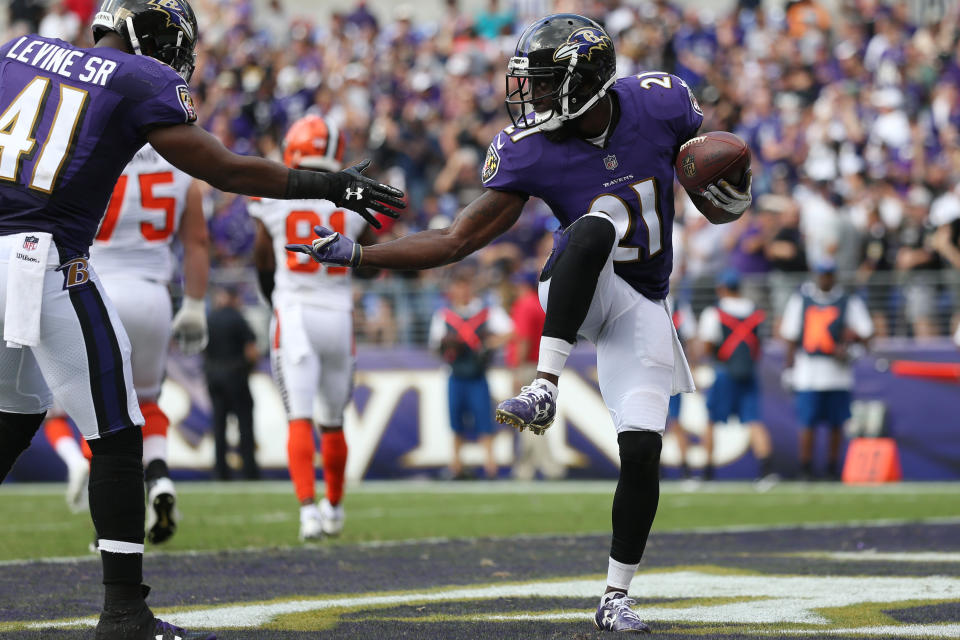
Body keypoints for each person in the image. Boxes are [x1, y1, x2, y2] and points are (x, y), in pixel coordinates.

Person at [288, 13, 750, 632]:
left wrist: (733, 186)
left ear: (582, 80)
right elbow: (457, 240)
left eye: (541, 80)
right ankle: (544, 385)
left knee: (641, 452)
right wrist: (362, 255)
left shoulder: (659, 102)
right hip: (574, 284)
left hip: (642, 300)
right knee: (590, 228)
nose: (527, 93)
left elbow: (713, 155)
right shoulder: (531, 150)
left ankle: (615, 597)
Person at [0, 0, 403, 636]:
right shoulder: (137, 78)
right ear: (150, 34)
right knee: (118, 429)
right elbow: (224, 168)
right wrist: (325, 185)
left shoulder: (16, 52)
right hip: (44, 259)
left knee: (17, 412)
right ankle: (125, 612)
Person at [43, 143, 207, 544]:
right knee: (146, 403)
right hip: (152, 295)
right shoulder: (182, 156)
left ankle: (111, 527)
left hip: (95, 285)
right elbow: (198, 241)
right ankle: (160, 477)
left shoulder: (95, 141)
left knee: (98, 416)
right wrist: (196, 304)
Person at [250, 115, 375, 540]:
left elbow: (263, 260)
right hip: (338, 315)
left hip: (296, 313)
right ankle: (335, 510)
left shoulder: (272, 199)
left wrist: (275, 301)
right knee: (334, 420)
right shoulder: (354, 198)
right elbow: (370, 253)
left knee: (299, 417)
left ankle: (308, 513)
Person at [780, 260, 874, 480]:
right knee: (807, 423)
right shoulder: (801, 299)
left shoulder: (848, 301)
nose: (825, 279)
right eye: (822, 275)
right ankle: (805, 467)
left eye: (829, 274)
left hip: (837, 372)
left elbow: (866, 335)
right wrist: (789, 368)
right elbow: (791, 337)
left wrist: (852, 349)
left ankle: (832, 467)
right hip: (809, 370)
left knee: (836, 424)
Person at [428, 268, 513, 479]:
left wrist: (490, 343)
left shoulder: (486, 311)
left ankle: (490, 466)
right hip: (455, 374)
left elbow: (511, 331)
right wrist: (446, 348)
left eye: (465, 286)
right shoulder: (444, 315)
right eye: (458, 286)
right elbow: (434, 345)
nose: (462, 291)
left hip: (477, 374)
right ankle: (456, 465)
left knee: (484, 420)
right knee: (455, 421)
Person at [697, 269, 776, 486]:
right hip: (748, 371)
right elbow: (759, 344)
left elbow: (707, 344)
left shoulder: (714, 312)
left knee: (712, 421)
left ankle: (707, 471)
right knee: (753, 420)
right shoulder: (755, 312)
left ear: (722, 288)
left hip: (724, 371)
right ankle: (766, 470)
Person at [507, 270, 563, 481]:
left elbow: (523, 339)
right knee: (527, 419)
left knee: (528, 420)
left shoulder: (524, 305)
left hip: (527, 366)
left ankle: (549, 467)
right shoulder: (539, 304)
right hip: (540, 365)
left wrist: (516, 370)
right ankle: (525, 469)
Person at [204, 287, 260, 481]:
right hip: (236, 375)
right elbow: (251, 351)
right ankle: (249, 471)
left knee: (219, 426)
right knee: (245, 424)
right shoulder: (238, 319)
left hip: (214, 376)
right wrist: (248, 368)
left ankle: (220, 472)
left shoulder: (210, 319)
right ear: (234, 298)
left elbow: (202, 349)